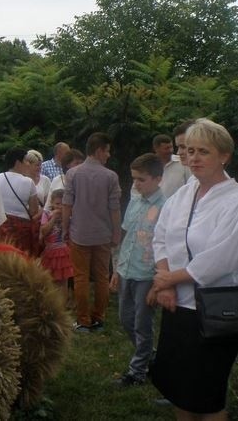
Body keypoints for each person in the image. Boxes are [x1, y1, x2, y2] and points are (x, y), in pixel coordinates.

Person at [150, 119, 238, 418]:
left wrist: (165, 280)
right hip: (177, 306)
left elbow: (221, 258)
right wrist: (169, 284)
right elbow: (160, 235)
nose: (194, 158)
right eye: (189, 151)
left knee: (207, 394)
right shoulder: (185, 193)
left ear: (224, 155)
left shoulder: (234, 200)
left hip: (214, 310)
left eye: (203, 151)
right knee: (179, 388)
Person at [109, 153, 165, 387]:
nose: (136, 184)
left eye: (141, 179)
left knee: (142, 323)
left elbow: (167, 247)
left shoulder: (166, 207)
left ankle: (137, 372)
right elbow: (127, 237)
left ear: (157, 179)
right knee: (125, 319)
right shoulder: (135, 201)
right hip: (126, 270)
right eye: (134, 179)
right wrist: (116, 269)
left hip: (147, 275)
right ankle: (151, 356)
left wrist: (159, 281)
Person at [62, 132, 122, 332]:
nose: (109, 155)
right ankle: (99, 317)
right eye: (107, 151)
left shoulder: (73, 174)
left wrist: (64, 228)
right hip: (103, 235)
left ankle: (83, 320)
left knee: (81, 278)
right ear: (99, 150)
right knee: (102, 277)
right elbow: (115, 209)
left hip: (79, 235)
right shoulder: (111, 176)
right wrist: (116, 233)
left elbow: (67, 205)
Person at [0, 147, 41, 256]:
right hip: (21, 229)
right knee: (21, 258)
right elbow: (34, 211)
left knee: (2, 256)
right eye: (26, 160)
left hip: (1, 225)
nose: (28, 164)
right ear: (17, 162)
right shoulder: (28, 182)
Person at [39, 189, 74, 302]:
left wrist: (65, 218)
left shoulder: (69, 215)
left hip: (63, 251)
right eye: (57, 204)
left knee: (63, 281)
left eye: (63, 204)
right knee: (50, 279)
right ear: (52, 203)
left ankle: (63, 306)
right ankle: (52, 303)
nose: (59, 207)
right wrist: (53, 218)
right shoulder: (46, 214)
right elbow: (44, 231)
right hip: (50, 251)